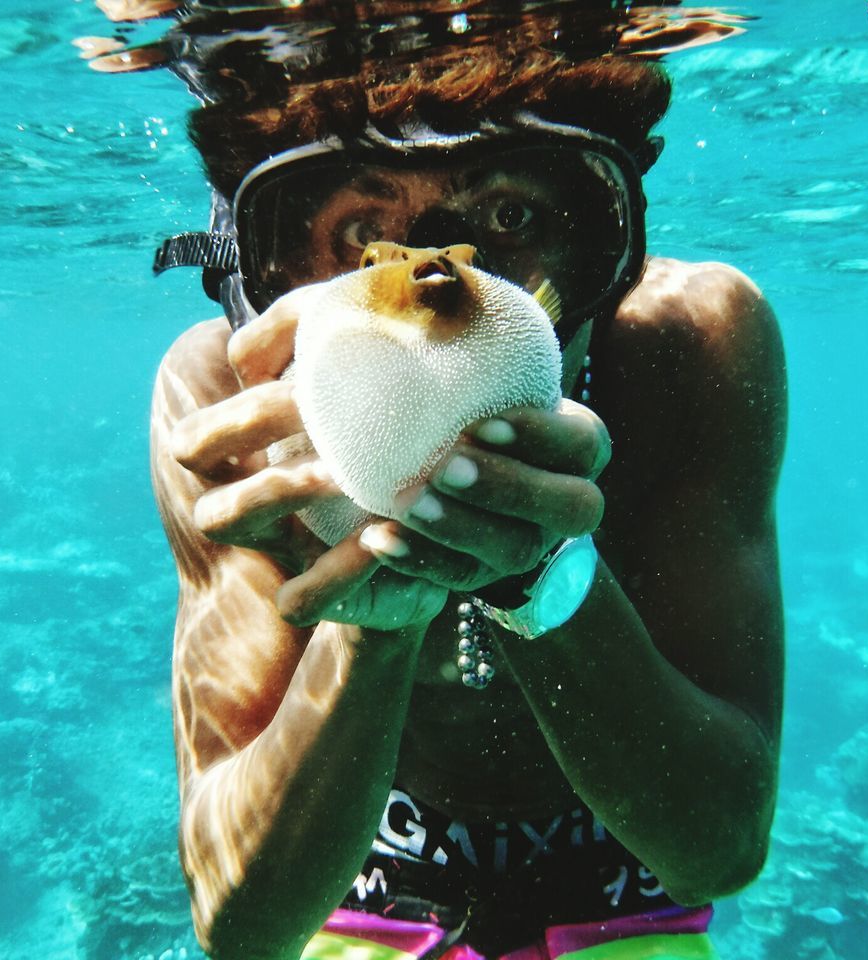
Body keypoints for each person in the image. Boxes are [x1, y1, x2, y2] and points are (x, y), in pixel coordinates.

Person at [147, 22, 786, 960]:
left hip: (620, 875)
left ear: (605, 239)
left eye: (513, 221)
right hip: (366, 866)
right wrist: (372, 616)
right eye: (360, 233)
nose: (437, 287)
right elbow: (240, 922)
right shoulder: (225, 403)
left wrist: (543, 577)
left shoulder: (689, 345)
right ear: (260, 269)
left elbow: (721, 848)